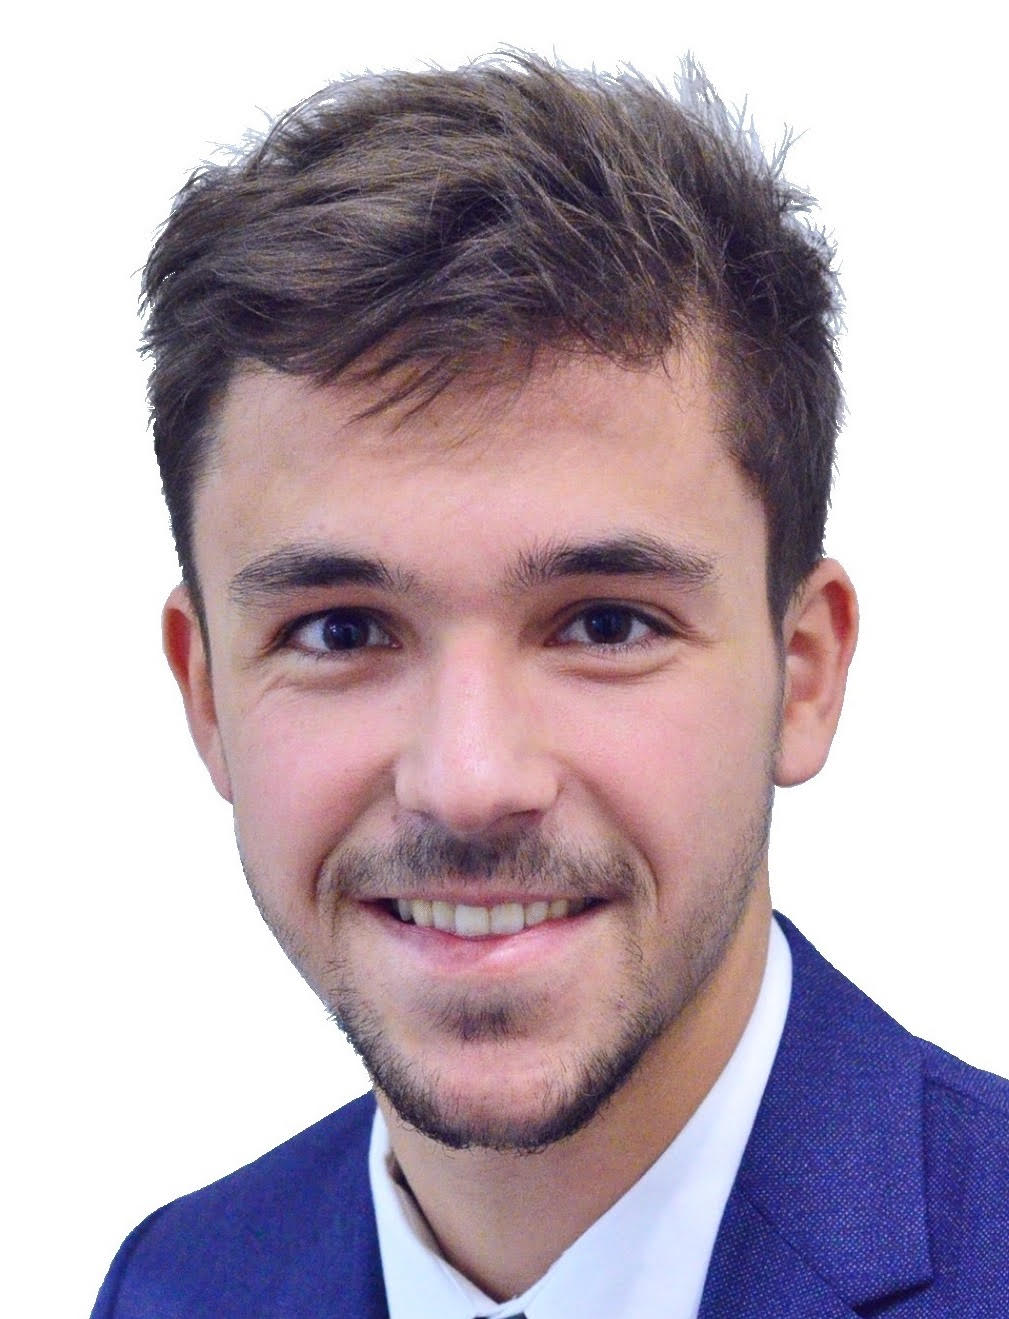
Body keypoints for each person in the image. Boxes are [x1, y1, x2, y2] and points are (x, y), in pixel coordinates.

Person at [92, 52, 1009, 1318]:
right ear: (207, 698)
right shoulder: (175, 1284)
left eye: (604, 622)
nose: (469, 781)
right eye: (342, 631)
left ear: (803, 673)